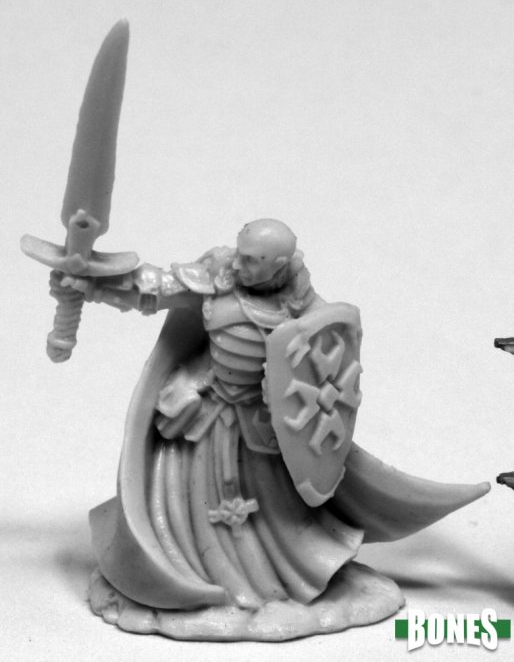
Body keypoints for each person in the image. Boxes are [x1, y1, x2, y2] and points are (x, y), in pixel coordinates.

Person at [67, 218, 488, 639]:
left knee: (276, 514)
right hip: (205, 412)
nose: (240, 265)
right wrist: (93, 281)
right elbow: (154, 289)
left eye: (253, 261)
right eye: (241, 253)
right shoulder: (217, 278)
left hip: (261, 422)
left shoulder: (302, 303)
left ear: (280, 266)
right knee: (183, 503)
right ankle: (193, 572)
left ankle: (274, 581)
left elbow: (324, 356)